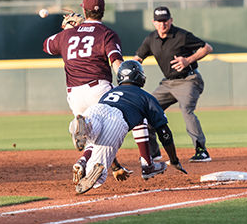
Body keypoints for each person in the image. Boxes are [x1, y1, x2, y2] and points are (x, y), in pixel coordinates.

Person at [42, 0, 148, 182]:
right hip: (99, 90)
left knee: (96, 134)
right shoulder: (107, 34)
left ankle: (88, 162)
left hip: (74, 95)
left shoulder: (67, 35)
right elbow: (116, 62)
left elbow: (47, 46)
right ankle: (147, 163)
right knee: (136, 116)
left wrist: (66, 29)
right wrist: (127, 86)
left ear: (84, 9)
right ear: (103, 11)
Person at [72, 60, 187, 194]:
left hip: (97, 109)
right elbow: (164, 132)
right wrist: (174, 159)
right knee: (99, 174)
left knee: (92, 134)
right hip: (117, 120)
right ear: (139, 77)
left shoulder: (109, 93)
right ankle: (91, 170)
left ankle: (84, 126)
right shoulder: (146, 97)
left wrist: (115, 166)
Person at [134, 5, 214, 163]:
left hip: (189, 80)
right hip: (167, 84)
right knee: (146, 110)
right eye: (159, 21)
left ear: (171, 20)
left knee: (187, 110)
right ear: (154, 22)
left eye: (165, 21)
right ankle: (153, 153)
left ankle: (201, 151)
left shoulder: (181, 36)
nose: (162, 24)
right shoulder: (151, 39)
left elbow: (207, 48)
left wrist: (188, 60)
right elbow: (138, 58)